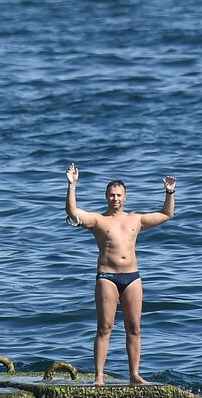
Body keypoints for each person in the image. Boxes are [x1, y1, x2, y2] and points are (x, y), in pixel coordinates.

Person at [65, 163, 176, 385]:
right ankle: (98, 377)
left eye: (119, 195)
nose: (115, 199)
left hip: (132, 277)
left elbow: (166, 214)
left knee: (134, 327)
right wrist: (72, 186)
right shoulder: (98, 220)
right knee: (104, 327)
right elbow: (73, 213)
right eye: (111, 195)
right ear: (106, 197)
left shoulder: (136, 219)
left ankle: (134, 375)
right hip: (107, 277)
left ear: (125, 197)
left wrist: (169, 192)